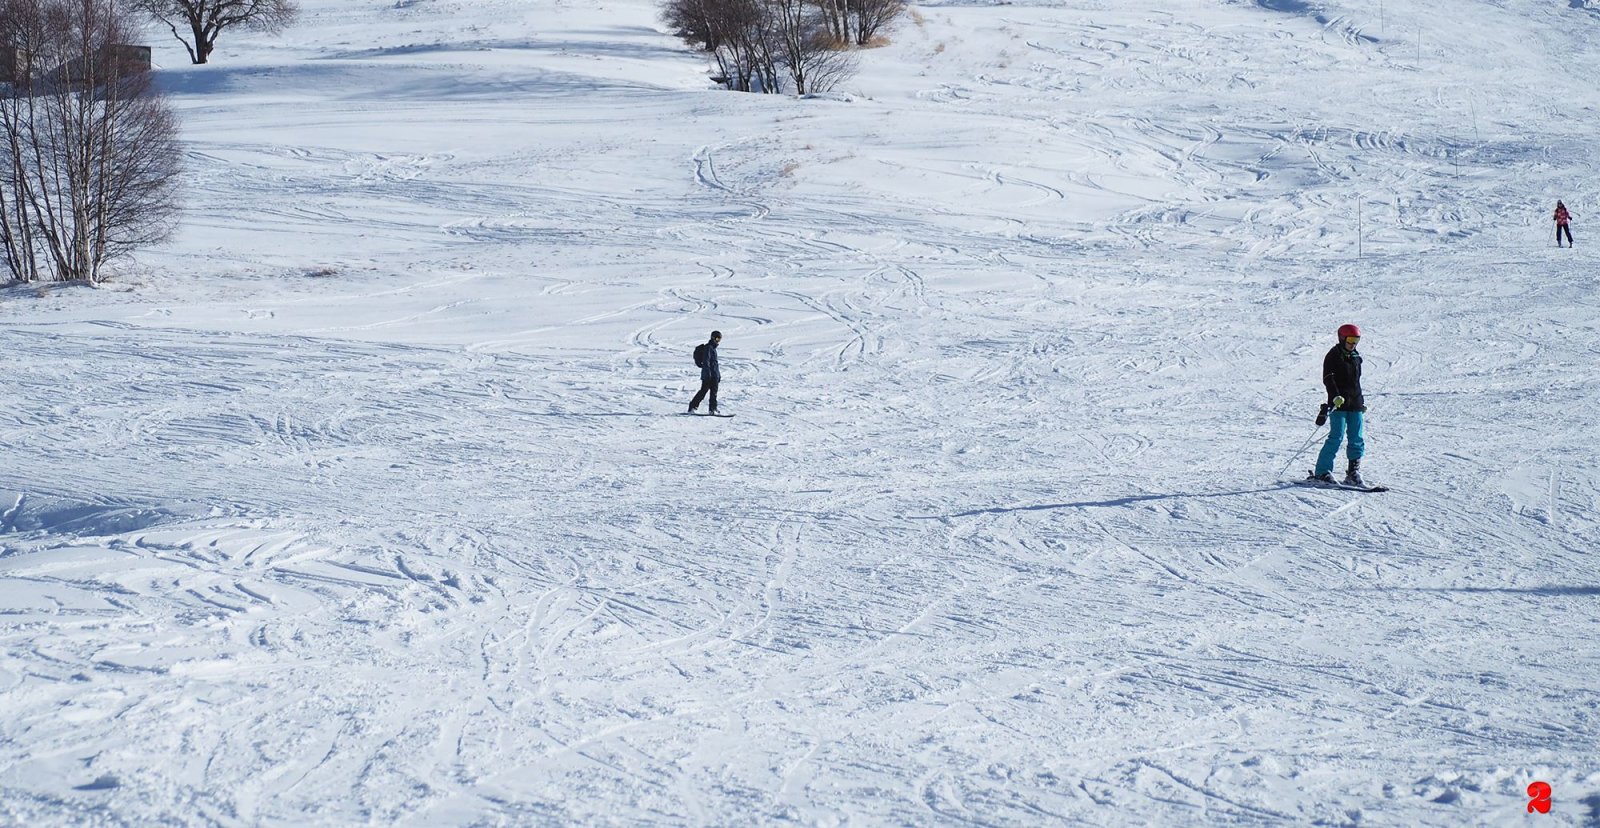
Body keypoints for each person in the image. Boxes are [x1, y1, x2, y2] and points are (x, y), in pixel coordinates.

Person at [1311, 323, 1367, 486]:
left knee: (1356, 438)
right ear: (1342, 338)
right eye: (1350, 340)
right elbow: (1329, 379)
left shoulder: (1356, 357)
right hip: (1338, 404)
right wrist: (1335, 396)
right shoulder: (1333, 356)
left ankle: (1353, 472)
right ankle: (1322, 472)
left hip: (1354, 403)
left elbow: (1356, 383)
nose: (1353, 344)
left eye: (1356, 340)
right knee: (1336, 437)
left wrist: (1360, 402)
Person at [688, 330, 721, 414]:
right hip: (708, 375)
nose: (718, 341)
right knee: (703, 392)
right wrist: (708, 374)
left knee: (714, 393)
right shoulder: (708, 348)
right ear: (713, 338)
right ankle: (692, 407)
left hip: (714, 375)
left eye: (719, 339)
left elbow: (715, 364)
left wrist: (718, 375)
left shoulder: (713, 348)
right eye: (717, 339)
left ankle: (712, 409)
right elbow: (706, 362)